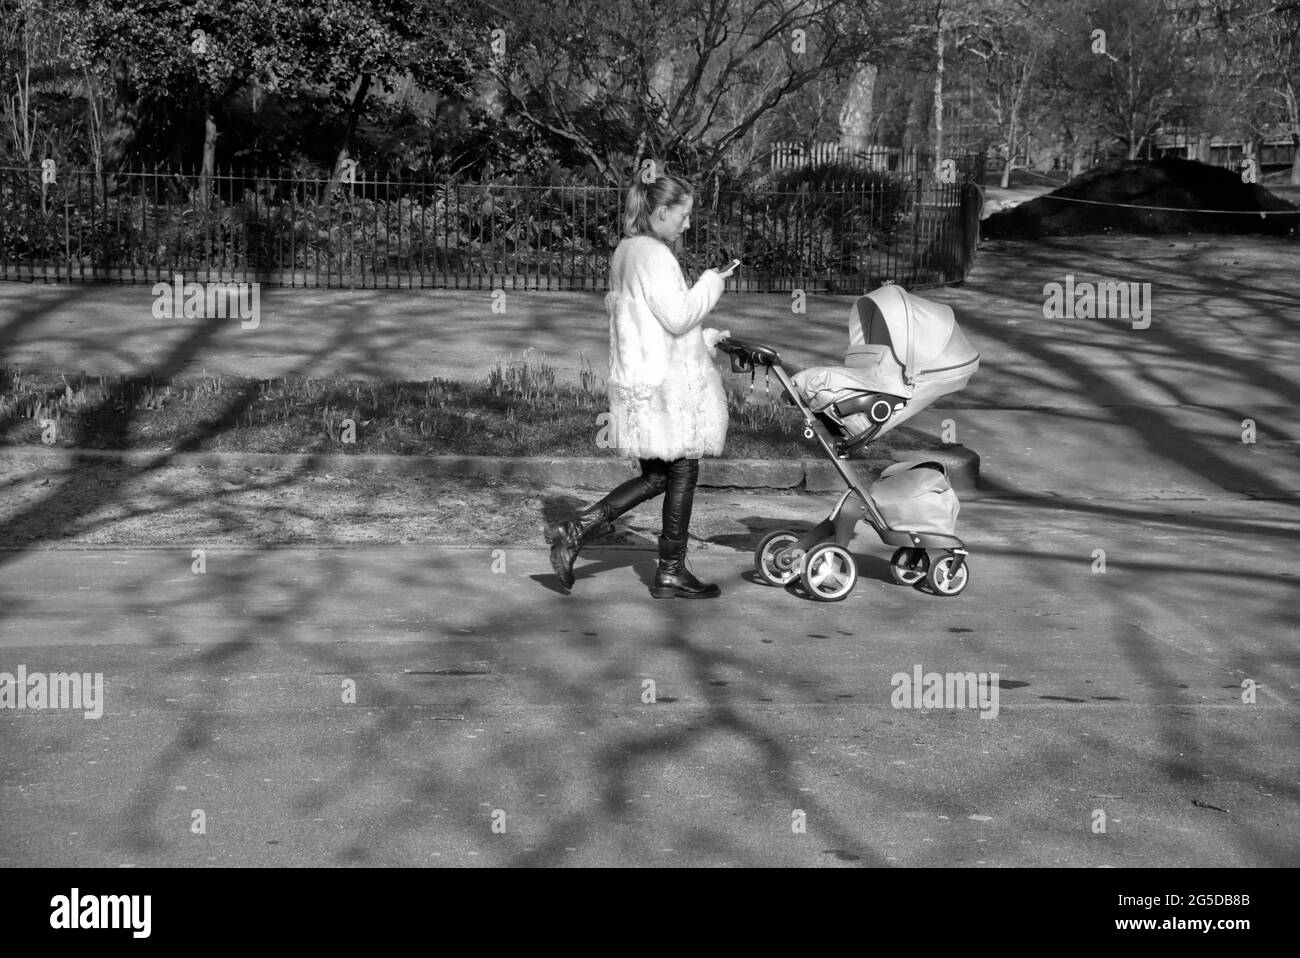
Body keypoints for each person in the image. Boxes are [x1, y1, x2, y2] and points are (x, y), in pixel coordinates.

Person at [548, 171, 735, 598]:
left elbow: (653, 324)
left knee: (656, 475)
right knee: (683, 467)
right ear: (662, 211)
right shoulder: (654, 254)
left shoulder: (625, 251)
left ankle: (576, 528)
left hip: (642, 380)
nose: (688, 224)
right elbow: (678, 316)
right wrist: (712, 283)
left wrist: (704, 341)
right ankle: (670, 571)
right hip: (667, 389)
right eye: (684, 216)